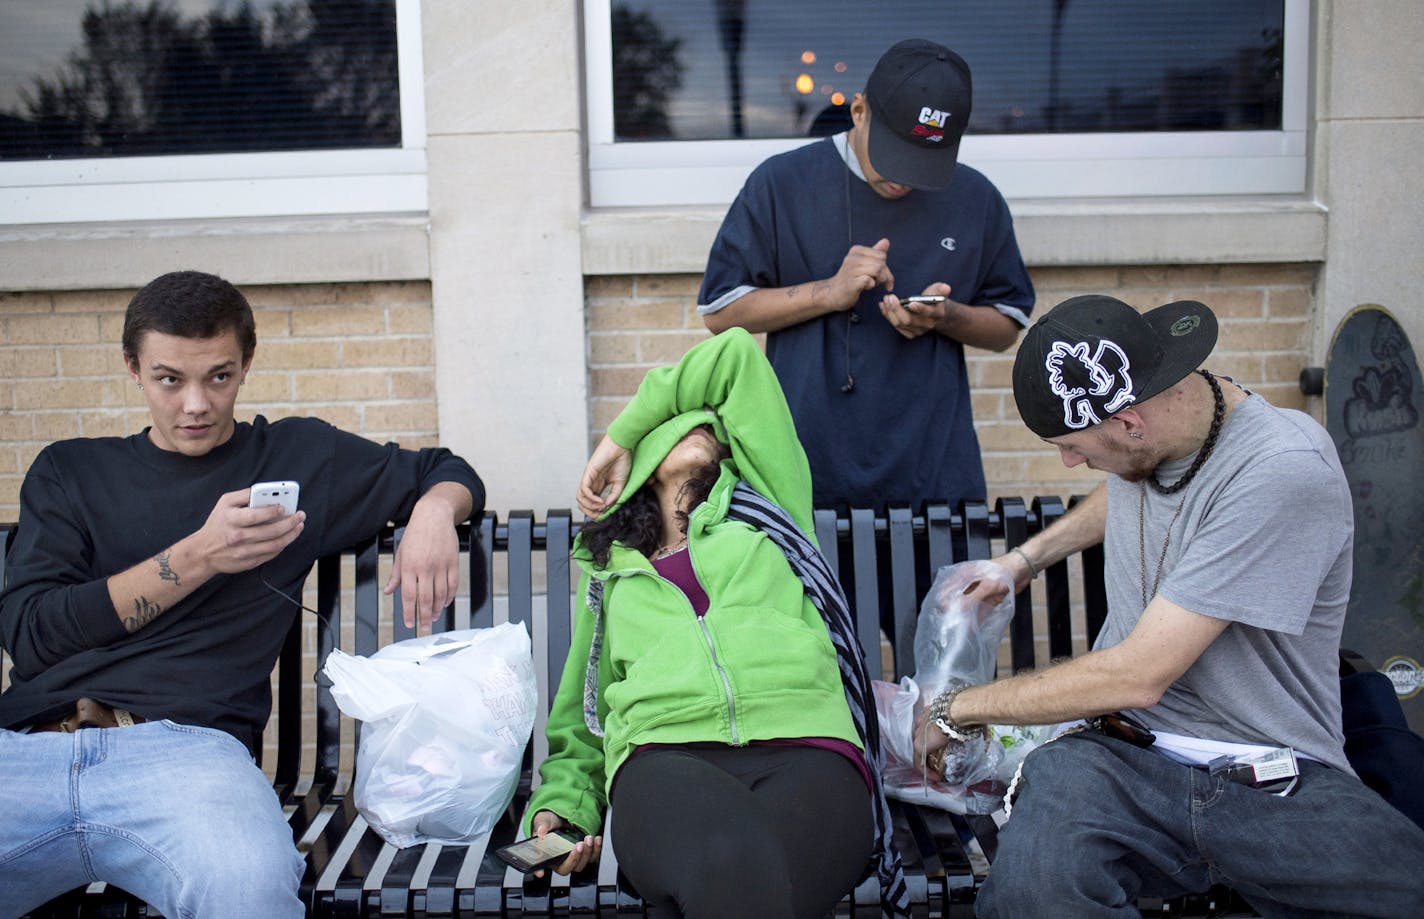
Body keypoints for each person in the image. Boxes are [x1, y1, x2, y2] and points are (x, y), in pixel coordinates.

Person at [912, 295, 1424, 916]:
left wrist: (954, 708)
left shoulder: (1282, 469)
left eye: (1072, 445)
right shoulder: (1159, 438)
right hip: (1114, 757)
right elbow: (1127, 487)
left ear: (1131, 422)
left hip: (1273, 772)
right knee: (1034, 895)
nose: (1069, 461)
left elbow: (1139, 675)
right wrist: (1023, 562)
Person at [0, 270, 484, 917]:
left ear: (247, 362)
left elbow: (446, 471)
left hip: (189, 758)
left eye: (219, 377)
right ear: (133, 368)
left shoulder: (297, 458)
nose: (196, 404)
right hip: (27, 749)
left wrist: (431, 514)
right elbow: (30, 636)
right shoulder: (71, 471)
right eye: (170, 379)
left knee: (248, 891)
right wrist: (200, 554)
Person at [524, 327, 909, 918]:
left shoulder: (771, 509)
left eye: (711, 420)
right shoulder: (611, 573)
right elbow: (583, 715)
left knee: (740, 880)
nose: (706, 420)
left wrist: (617, 435)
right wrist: (558, 809)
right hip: (665, 758)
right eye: (682, 418)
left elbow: (733, 358)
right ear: (646, 467)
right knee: (735, 864)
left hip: (808, 746)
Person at [699, 38, 1034, 514]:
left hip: (934, 478)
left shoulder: (976, 198)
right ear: (859, 110)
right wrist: (828, 292)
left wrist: (947, 317)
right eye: (894, 154)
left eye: (925, 162)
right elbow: (719, 311)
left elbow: (1006, 326)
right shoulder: (781, 184)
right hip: (802, 472)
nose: (905, 179)